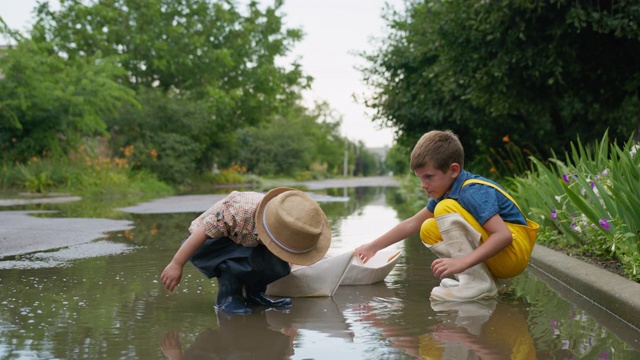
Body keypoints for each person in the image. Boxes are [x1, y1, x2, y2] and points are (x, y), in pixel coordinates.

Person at [355, 130, 538, 301]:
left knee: (444, 209)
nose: (423, 185)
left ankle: (476, 283)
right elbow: (412, 223)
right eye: (420, 178)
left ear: (454, 170)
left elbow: (503, 235)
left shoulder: (471, 191)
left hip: (513, 253)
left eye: (429, 177)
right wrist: (373, 247)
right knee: (428, 228)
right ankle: (479, 281)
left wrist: (462, 263)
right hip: (503, 255)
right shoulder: (448, 191)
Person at [161, 187, 331, 314]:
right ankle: (228, 298)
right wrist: (177, 263)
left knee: (275, 264)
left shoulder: (284, 222)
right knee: (241, 258)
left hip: (249, 241)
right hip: (210, 244)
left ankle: (254, 294)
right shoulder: (239, 212)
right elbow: (203, 233)